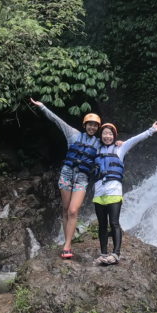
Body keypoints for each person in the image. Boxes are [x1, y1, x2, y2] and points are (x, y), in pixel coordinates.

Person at [30, 98, 100, 259]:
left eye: (95, 125)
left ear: (97, 128)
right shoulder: (73, 134)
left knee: (73, 210)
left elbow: (111, 144)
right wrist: (42, 107)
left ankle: (67, 245)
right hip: (67, 175)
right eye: (90, 124)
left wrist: (118, 142)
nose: (92, 127)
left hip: (82, 178)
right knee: (65, 209)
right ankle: (68, 237)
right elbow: (57, 120)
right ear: (85, 125)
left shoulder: (99, 144)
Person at [92, 120, 157, 265]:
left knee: (114, 223)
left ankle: (116, 254)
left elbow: (135, 139)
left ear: (114, 135)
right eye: (104, 134)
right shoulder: (96, 150)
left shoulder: (121, 148)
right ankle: (103, 253)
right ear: (101, 136)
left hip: (114, 193)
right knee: (102, 224)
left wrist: (151, 130)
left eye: (110, 134)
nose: (107, 136)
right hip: (99, 194)